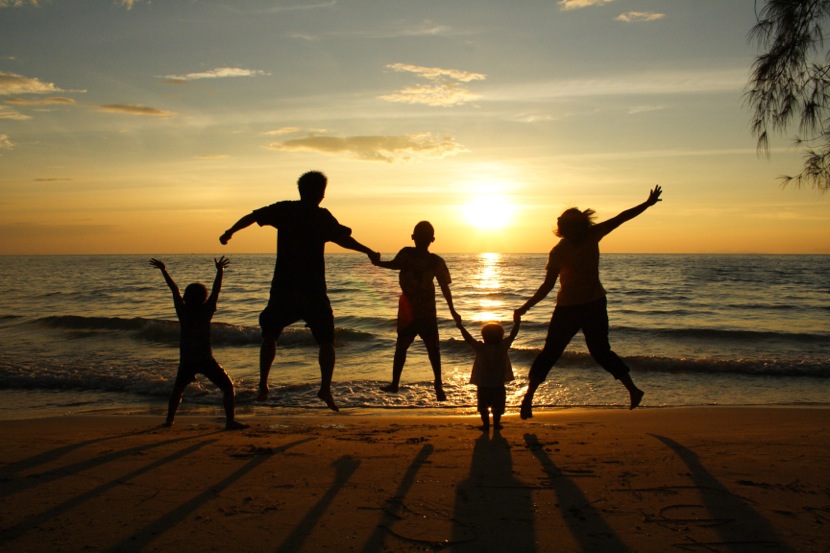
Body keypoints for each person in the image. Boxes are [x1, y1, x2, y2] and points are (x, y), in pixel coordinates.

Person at [219, 171, 379, 411]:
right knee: (326, 341)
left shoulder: (285, 210)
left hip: (284, 287)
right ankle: (325, 388)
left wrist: (230, 231)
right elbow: (342, 240)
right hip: (312, 289)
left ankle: (263, 385)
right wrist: (367, 251)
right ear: (321, 193)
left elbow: (252, 216)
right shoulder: (321, 216)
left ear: (301, 190)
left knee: (270, 336)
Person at [516, 185, 663, 419]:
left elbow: (621, 218)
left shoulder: (591, 236)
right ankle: (528, 398)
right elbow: (547, 286)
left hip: (593, 304)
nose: (567, 228)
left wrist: (646, 204)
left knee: (600, 352)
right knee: (550, 353)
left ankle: (633, 390)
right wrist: (525, 307)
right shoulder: (559, 251)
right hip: (568, 307)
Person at [149, 256, 247, 430]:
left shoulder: (183, 311)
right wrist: (220, 272)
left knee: (178, 390)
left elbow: (174, 290)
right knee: (228, 387)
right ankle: (230, 421)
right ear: (204, 297)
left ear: (187, 296)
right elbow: (216, 290)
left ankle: (169, 420)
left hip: (187, 359)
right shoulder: (206, 311)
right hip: (205, 359)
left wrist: (164, 270)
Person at [372, 221, 458, 401]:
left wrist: (378, 263)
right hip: (426, 311)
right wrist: (453, 311)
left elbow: (394, 265)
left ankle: (396, 383)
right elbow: (445, 288)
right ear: (432, 240)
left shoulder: (407, 253)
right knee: (433, 350)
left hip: (409, 310)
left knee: (402, 347)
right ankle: (438, 384)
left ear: (412, 237)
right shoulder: (435, 261)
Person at [455, 312, 521, 430]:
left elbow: (469, 339)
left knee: (483, 407)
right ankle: (496, 424)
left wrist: (461, 327)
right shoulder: (502, 347)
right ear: (500, 337)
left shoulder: (481, 348)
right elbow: (513, 335)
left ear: (484, 337)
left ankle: (485, 425)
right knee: (498, 408)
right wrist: (517, 322)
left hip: (483, 384)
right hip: (498, 384)